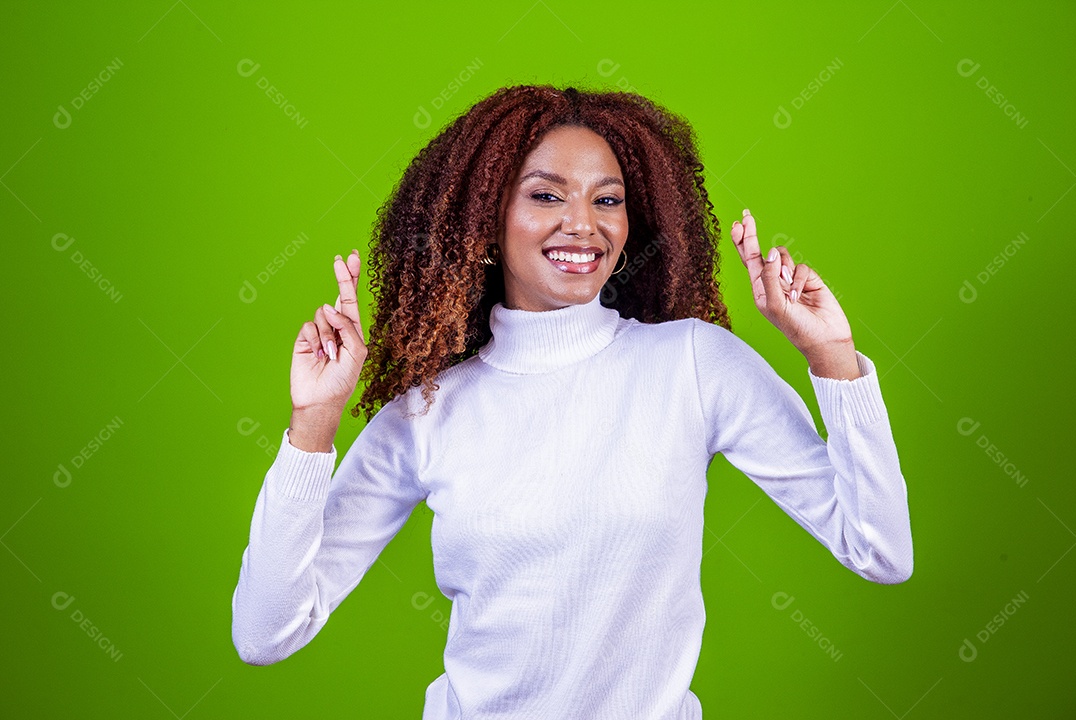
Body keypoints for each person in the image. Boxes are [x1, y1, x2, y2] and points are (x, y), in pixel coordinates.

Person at [231, 84, 913, 719]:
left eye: (607, 200)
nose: (583, 225)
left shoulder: (694, 364)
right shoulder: (427, 412)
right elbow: (265, 633)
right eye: (547, 196)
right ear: (486, 220)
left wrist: (833, 357)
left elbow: (880, 551)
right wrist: (314, 422)